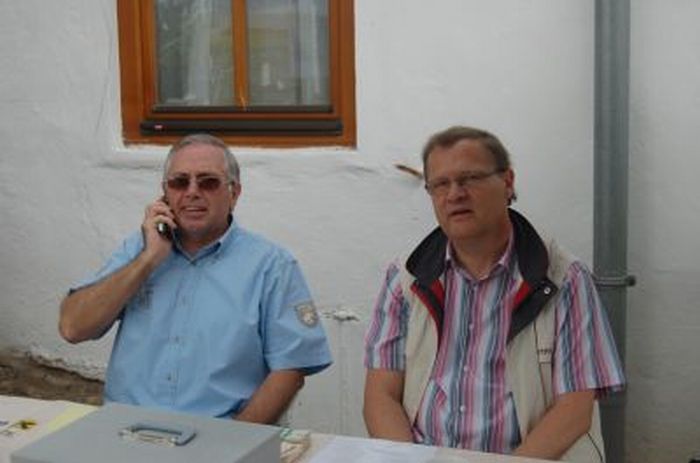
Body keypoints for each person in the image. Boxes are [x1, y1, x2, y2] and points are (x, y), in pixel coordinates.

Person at [363, 126, 624, 461]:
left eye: (469, 178)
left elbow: (574, 411)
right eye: (440, 184)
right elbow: (381, 396)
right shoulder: (405, 279)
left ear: (508, 182)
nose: (454, 194)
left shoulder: (564, 279)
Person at [59, 133, 332, 423]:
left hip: (218, 433)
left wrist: (235, 439)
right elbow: (73, 327)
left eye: (208, 182)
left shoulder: (271, 265)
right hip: (126, 429)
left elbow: (291, 369)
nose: (192, 192)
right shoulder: (138, 250)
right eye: (179, 182)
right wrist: (148, 260)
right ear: (164, 193)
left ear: (234, 193)